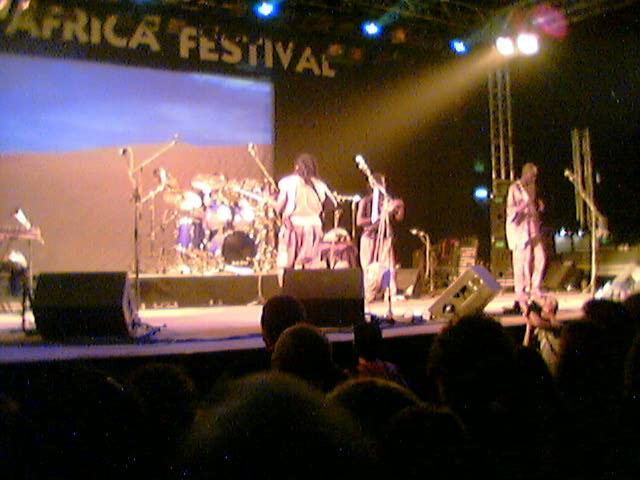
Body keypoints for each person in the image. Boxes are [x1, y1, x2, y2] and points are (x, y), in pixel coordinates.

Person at [274, 153, 337, 270]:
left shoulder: (288, 182)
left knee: (288, 263)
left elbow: (279, 207)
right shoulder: (320, 185)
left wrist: (268, 200)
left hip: (293, 227)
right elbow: (333, 203)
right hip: (314, 227)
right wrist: (319, 211)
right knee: (310, 265)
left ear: (297, 166)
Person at [356, 173, 404, 303]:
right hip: (369, 237)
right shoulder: (366, 201)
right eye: (381, 182)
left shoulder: (387, 201)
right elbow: (359, 221)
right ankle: (368, 294)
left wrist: (400, 207)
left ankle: (390, 293)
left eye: (384, 183)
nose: (383, 185)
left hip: (385, 237)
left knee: (388, 266)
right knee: (368, 267)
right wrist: (379, 218)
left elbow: (398, 218)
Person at [506, 162, 546, 312]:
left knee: (540, 257)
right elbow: (510, 211)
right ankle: (521, 292)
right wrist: (523, 206)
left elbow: (532, 207)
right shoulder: (514, 188)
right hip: (520, 231)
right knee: (522, 262)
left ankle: (535, 287)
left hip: (532, 228)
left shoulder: (533, 188)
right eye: (533, 175)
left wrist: (538, 208)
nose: (534, 179)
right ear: (526, 173)